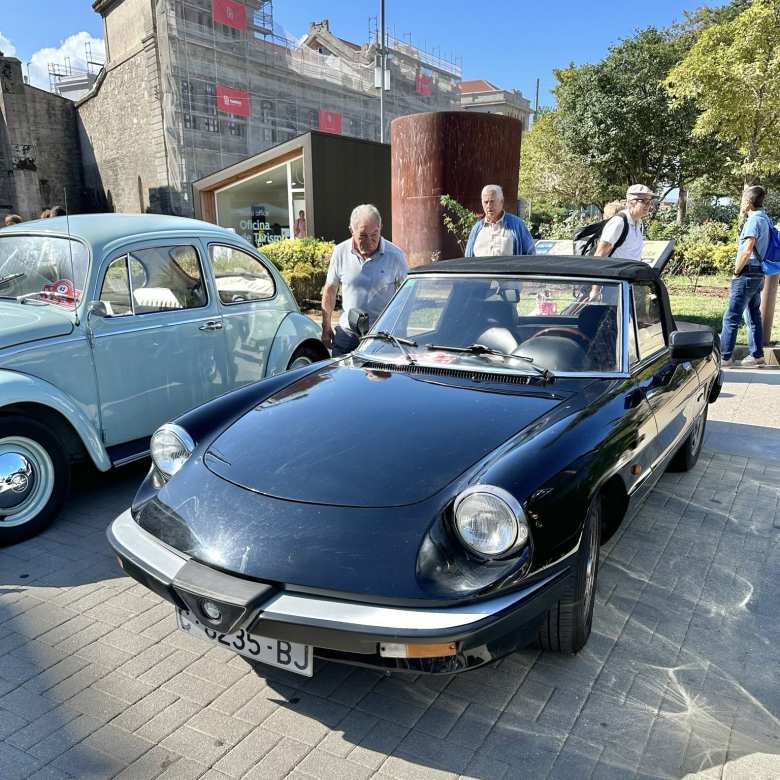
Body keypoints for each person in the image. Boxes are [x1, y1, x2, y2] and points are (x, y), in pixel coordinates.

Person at [321, 204, 408, 356]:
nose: (370, 241)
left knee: (380, 380)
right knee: (340, 377)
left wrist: (400, 330)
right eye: (363, 236)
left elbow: (407, 296)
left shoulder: (395, 256)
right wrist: (326, 325)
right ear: (351, 231)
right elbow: (330, 290)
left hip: (383, 336)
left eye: (374, 235)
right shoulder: (340, 252)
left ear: (380, 228)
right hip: (347, 334)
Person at [720, 185, 771, 368]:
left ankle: (725, 357)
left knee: (731, 317)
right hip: (759, 274)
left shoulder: (753, 221)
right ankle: (757, 356)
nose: (741, 203)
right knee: (753, 316)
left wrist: (735, 272)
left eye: (742, 200)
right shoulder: (766, 219)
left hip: (746, 273)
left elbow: (747, 249)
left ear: (748, 202)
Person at [465, 185, 536, 257]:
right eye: (486, 202)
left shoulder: (517, 225)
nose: (489, 206)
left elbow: (530, 255)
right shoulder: (476, 229)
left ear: (501, 202)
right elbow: (467, 258)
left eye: (492, 201)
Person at [594, 185, 655, 260]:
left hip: (632, 271)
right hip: (615, 271)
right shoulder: (619, 222)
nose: (648, 205)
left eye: (649, 201)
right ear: (631, 202)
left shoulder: (638, 223)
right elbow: (599, 255)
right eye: (644, 201)